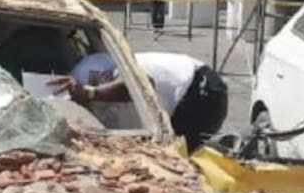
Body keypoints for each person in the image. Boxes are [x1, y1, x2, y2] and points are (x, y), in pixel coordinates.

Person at [50, 51, 228, 152]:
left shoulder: (86, 73)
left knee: (179, 163)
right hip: (172, 109)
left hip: (195, 89)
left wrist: (91, 93)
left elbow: (140, 82)